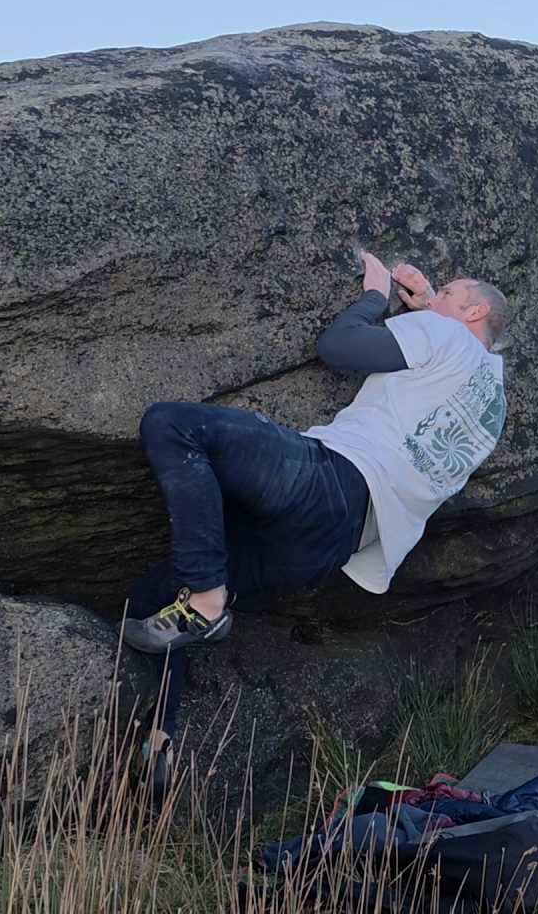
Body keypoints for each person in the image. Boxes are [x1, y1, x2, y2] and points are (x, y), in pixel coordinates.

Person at [119, 250, 509, 783]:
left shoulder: (445, 337)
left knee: (172, 424)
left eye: (447, 294)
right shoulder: (492, 408)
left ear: (473, 313)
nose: (432, 295)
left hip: (329, 483)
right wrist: (427, 310)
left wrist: (375, 295)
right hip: (335, 544)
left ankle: (208, 602)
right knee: (154, 598)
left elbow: (339, 347)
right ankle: (156, 748)